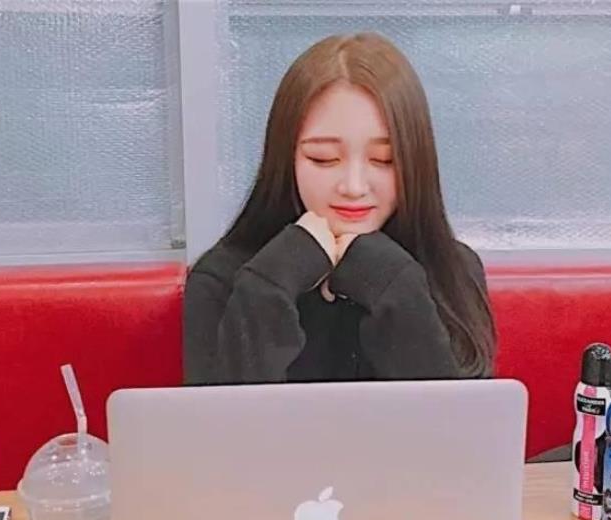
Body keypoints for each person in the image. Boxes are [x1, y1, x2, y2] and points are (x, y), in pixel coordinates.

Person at [183, 32, 495, 386]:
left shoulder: (453, 269)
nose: (353, 187)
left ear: (415, 162)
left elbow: (457, 416)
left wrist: (395, 286)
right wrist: (270, 285)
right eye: (324, 159)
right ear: (285, 159)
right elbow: (222, 418)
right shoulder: (222, 277)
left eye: (384, 159)